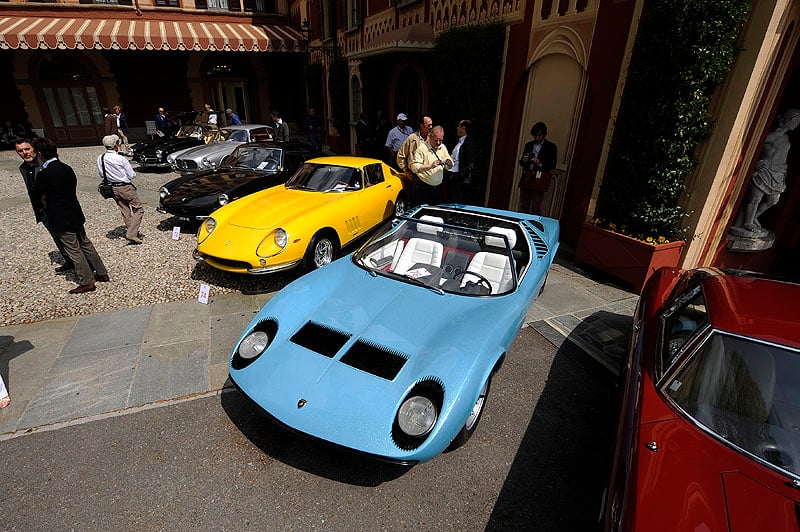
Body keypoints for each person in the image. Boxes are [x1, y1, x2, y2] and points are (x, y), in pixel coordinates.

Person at [31, 138, 109, 294]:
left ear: (40, 154)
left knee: (73, 249)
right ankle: (101, 272)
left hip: (59, 215)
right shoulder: (66, 168)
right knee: (85, 242)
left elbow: (35, 192)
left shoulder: (45, 174)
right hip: (74, 211)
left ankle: (87, 281)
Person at [731, 108, 800, 237]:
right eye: (796, 120)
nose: (797, 124)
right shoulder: (772, 135)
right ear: (789, 120)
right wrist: (756, 163)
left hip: (778, 172)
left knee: (773, 200)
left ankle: (754, 216)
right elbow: (754, 146)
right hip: (765, 170)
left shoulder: (785, 137)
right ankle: (747, 222)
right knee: (755, 199)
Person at [16, 138, 76, 272]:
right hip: (41, 209)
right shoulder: (23, 168)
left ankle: (82, 263)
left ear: (34, 149)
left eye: (27, 149)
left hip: (56, 207)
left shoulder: (45, 164)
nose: (25, 153)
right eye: (20, 151)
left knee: (69, 237)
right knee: (55, 236)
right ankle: (68, 259)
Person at [98, 134, 144, 245]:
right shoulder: (120, 159)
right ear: (116, 145)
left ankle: (132, 232)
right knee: (138, 209)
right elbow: (132, 174)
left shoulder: (101, 158)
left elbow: (101, 174)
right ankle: (132, 233)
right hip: (125, 187)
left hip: (112, 188)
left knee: (125, 210)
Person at [518, 122, 557, 214]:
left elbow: (552, 164)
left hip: (540, 178)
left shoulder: (551, 147)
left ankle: (534, 226)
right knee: (523, 204)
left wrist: (540, 164)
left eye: (539, 136)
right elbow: (522, 162)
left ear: (543, 135)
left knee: (536, 206)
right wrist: (525, 160)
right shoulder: (529, 145)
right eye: (534, 136)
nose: (536, 138)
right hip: (527, 176)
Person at [410, 125, 453, 206]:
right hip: (423, 187)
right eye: (436, 140)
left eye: (440, 140)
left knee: (435, 213)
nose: (438, 143)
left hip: (438, 188)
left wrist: (449, 163)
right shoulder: (422, 149)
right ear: (430, 137)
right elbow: (414, 167)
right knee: (422, 214)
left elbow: (449, 163)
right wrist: (430, 166)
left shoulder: (442, 147)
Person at [447, 119, 477, 204]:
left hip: (461, 181)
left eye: (458, 126)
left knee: (457, 202)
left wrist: (457, 176)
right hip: (453, 177)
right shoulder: (459, 142)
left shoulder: (469, 143)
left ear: (463, 128)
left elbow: (469, 165)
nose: (457, 128)